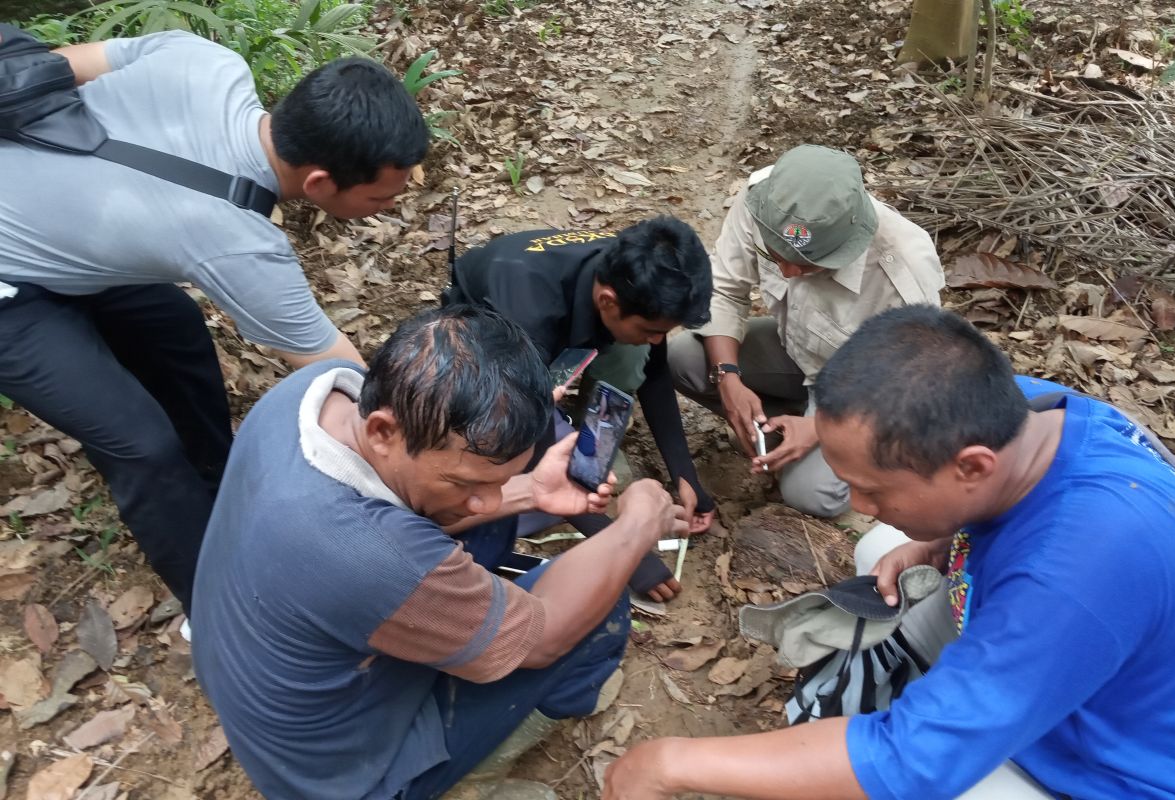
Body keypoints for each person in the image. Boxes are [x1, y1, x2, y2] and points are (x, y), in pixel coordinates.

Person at [604, 305, 1175, 800]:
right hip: (1072, 663)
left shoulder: (1080, 566)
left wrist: (669, 764)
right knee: (885, 546)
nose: (858, 503)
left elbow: (910, 762)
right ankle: (953, 685)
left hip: (1105, 765)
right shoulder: (1032, 413)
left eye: (875, 489)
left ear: (971, 467)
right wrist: (936, 539)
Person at [0, 31, 427, 611]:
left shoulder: (204, 60)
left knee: (176, 328)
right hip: (10, 291)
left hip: (60, 245)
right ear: (321, 184)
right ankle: (215, 607)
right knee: (141, 444)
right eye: (381, 200)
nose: (393, 205)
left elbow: (53, 67)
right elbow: (342, 370)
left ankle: (217, 484)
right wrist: (431, 435)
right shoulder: (235, 242)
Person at [192, 305, 685, 800]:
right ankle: (480, 763)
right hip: (343, 779)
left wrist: (530, 490)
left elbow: (425, 518)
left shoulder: (318, 390)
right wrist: (637, 527)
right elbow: (545, 638)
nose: (489, 497)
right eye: (466, 481)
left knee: (490, 528)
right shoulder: (373, 556)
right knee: (602, 602)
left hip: (264, 697)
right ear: (383, 431)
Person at [445, 218, 714, 602]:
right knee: (519, 488)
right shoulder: (529, 313)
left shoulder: (639, 278)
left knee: (633, 351)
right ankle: (568, 425)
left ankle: (584, 418)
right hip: (485, 340)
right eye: (653, 328)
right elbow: (530, 432)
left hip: (562, 325)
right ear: (606, 301)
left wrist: (685, 475)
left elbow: (654, 369)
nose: (659, 339)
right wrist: (624, 548)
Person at [668, 145, 944, 518]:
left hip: (860, 394)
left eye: (808, 266)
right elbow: (725, 289)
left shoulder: (902, 269)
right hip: (794, 351)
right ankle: (784, 423)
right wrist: (728, 377)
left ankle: (813, 440)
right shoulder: (765, 201)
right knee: (684, 358)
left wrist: (821, 427)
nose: (787, 274)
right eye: (775, 256)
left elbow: (912, 388)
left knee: (812, 494)